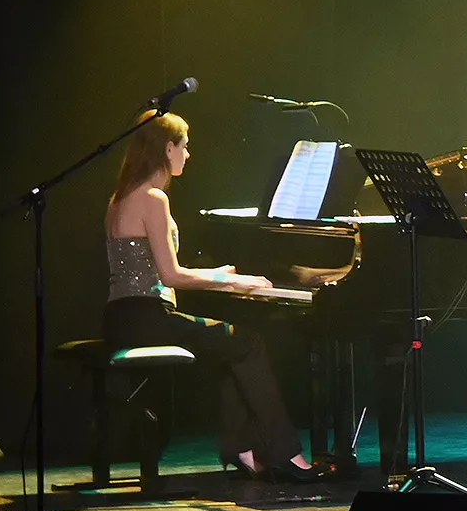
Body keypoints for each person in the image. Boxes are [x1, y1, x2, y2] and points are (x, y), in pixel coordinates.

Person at [103, 111, 323, 481]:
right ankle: (287, 455)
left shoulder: (119, 198)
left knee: (232, 344)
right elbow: (171, 275)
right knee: (249, 343)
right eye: (184, 147)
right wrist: (235, 283)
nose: (188, 155)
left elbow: (157, 269)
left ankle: (244, 449)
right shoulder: (154, 199)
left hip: (121, 317)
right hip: (147, 319)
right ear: (167, 148)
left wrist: (216, 275)